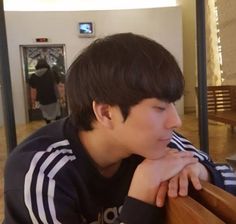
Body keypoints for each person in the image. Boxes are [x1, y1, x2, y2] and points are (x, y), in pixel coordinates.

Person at [4, 33, 236, 224]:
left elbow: (229, 177)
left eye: (172, 105)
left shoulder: (159, 143)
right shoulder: (41, 170)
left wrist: (200, 173)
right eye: (159, 108)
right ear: (106, 113)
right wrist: (140, 196)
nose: (176, 121)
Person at [28, 58, 61, 123]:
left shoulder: (33, 76)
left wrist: (33, 100)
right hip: (53, 97)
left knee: (46, 115)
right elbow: (58, 82)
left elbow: (33, 88)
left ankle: (48, 127)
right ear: (46, 64)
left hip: (42, 99)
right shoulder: (52, 72)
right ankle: (58, 128)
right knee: (57, 114)